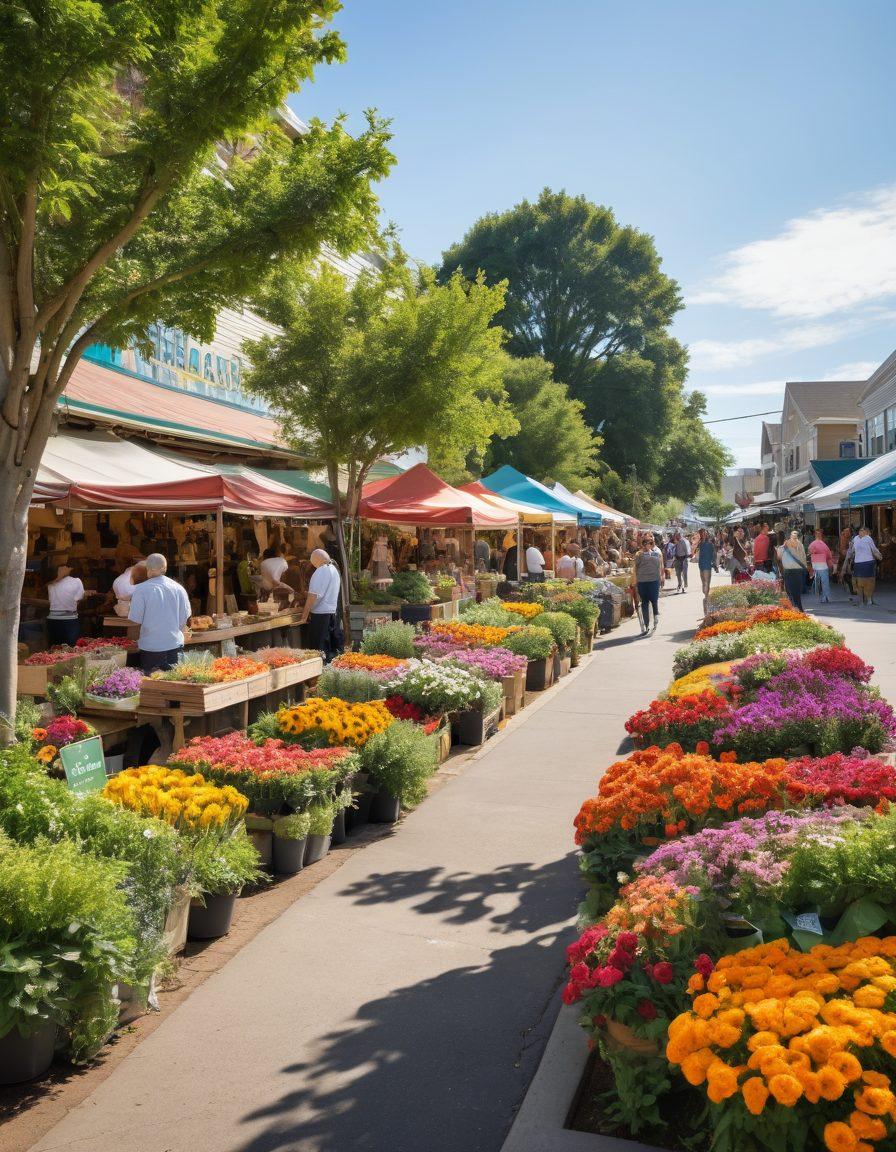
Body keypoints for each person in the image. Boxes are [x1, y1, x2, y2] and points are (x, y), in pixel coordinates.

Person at [128, 553, 191, 673]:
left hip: (150, 648)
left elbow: (135, 621)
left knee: (152, 687)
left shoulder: (141, 590)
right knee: (176, 684)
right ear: (165, 568)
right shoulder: (179, 588)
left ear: (148, 569)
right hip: (174, 645)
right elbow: (184, 618)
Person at [297, 548, 343, 660]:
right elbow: (325, 592)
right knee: (332, 649)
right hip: (332, 613)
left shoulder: (321, 571)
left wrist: (304, 616)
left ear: (316, 560)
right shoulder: (334, 570)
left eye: (313, 563)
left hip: (320, 615)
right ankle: (330, 671)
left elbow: (313, 596)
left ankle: (320, 673)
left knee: (319, 650)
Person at [46, 565, 85, 646]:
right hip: (70, 619)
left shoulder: (50, 584)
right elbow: (79, 598)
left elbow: (50, 600)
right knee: (72, 647)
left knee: (55, 648)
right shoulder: (77, 581)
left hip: (53, 619)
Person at [634, 532, 663, 634]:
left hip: (654, 581)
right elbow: (635, 568)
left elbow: (660, 566)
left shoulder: (657, 554)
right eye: (645, 542)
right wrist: (635, 581)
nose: (647, 544)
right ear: (642, 544)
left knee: (654, 601)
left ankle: (655, 619)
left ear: (652, 544)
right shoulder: (638, 555)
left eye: (650, 542)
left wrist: (662, 577)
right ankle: (647, 625)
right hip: (642, 581)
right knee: (644, 603)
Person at [847, 525, 882, 606]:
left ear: (866, 532)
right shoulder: (855, 538)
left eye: (863, 530)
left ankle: (869, 600)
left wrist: (879, 555)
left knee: (869, 582)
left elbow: (873, 549)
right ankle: (861, 601)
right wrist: (850, 550)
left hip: (868, 562)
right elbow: (852, 550)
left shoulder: (868, 538)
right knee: (859, 583)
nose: (861, 532)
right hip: (858, 563)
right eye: (860, 530)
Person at [776, 530, 809, 611]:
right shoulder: (800, 545)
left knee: (792, 593)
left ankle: (797, 610)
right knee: (796, 594)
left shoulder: (782, 548)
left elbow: (778, 558)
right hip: (799, 572)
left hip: (790, 572)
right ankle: (798, 610)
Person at [807, 528, 834, 603]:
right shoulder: (824, 545)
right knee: (824, 582)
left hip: (816, 565)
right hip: (822, 565)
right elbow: (829, 556)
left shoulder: (812, 544)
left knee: (817, 583)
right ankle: (826, 597)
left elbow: (809, 553)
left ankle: (822, 597)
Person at [696, 529, 718, 607]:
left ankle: (706, 597)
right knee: (704, 583)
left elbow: (714, 554)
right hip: (701, 565)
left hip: (707, 565)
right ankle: (706, 595)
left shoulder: (710, 544)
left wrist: (715, 564)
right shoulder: (700, 544)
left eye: (705, 534)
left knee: (706, 582)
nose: (704, 535)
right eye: (702, 534)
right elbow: (696, 553)